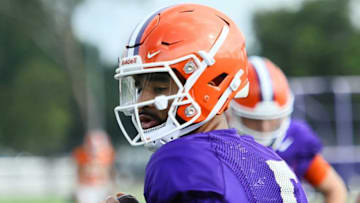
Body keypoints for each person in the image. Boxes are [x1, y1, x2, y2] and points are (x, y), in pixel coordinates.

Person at [108, 4, 308, 203]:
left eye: (160, 88)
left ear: (213, 82)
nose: (142, 101)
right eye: (139, 87)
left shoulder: (179, 159)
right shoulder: (269, 159)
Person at [227, 56, 347, 203]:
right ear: (231, 112)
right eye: (254, 120)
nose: (264, 128)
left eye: (272, 119)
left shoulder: (296, 138)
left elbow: (334, 188)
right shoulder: (220, 143)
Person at [73, 130, 116, 203]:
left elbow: (108, 173)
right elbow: (79, 173)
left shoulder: (106, 155)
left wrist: (111, 187)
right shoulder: (82, 155)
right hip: (86, 187)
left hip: (101, 187)